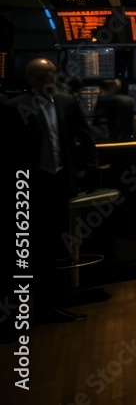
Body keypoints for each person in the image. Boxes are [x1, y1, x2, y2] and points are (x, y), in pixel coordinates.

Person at [4, 58, 97, 322]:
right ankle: (15, 314)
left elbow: (85, 134)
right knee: (23, 252)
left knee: (52, 249)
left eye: (53, 75)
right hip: (28, 188)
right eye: (44, 77)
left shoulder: (66, 102)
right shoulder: (14, 108)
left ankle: (48, 307)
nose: (51, 82)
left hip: (58, 184)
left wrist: (90, 168)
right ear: (30, 80)